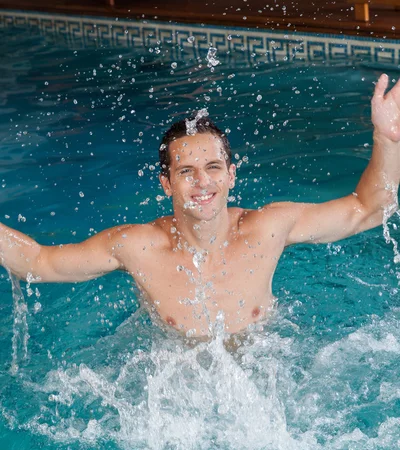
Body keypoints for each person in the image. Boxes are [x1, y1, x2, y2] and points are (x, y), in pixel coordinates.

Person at [1, 74, 399, 338]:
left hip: (268, 382)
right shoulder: (137, 247)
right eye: (186, 171)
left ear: (231, 175)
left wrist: (388, 140)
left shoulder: (269, 228)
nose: (202, 182)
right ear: (166, 184)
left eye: (212, 168)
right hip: (176, 393)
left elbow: (368, 208)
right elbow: (37, 263)